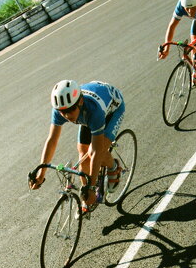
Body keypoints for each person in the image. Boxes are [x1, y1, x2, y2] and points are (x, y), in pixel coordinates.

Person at [29, 80, 125, 215]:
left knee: (94, 152)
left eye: (70, 110)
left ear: (80, 101)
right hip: (87, 109)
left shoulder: (94, 111)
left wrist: (92, 187)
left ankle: (113, 167)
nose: (67, 116)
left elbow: (96, 152)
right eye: (62, 112)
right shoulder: (61, 108)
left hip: (113, 109)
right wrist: (41, 174)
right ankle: (85, 196)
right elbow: (52, 140)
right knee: (82, 154)